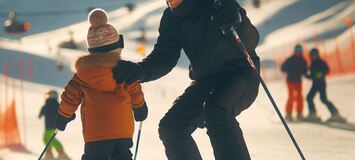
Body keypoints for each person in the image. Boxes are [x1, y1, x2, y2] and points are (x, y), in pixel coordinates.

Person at [113, 0, 260, 159]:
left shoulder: (216, 3)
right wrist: (140, 70)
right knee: (171, 128)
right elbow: (164, 56)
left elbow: (251, 40)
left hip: (240, 73)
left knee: (216, 110)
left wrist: (238, 22)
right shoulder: (171, 17)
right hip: (206, 81)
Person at [55, 9, 148, 160]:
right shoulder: (124, 72)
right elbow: (135, 90)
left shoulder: (82, 75)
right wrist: (140, 108)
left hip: (96, 135)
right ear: (117, 49)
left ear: (92, 50)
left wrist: (64, 116)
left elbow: (70, 97)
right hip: (123, 133)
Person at [305, 48, 346, 123]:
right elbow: (312, 75)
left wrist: (319, 74)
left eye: (315, 54)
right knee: (309, 97)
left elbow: (327, 70)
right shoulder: (312, 63)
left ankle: (335, 113)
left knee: (323, 99)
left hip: (321, 84)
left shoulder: (321, 62)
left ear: (317, 55)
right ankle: (313, 113)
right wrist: (307, 75)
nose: (314, 56)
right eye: (312, 55)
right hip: (315, 84)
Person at [39, 90, 70, 160]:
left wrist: (42, 112)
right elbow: (45, 110)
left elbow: (46, 110)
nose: (47, 97)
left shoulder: (51, 104)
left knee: (47, 138)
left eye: (48, 95)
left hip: (51, 125)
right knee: (49, 139)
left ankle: (55, 154)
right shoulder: (51, 103)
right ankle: (57, 154)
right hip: (50, 125)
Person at [281, 44, 308, 122]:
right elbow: (283, 68)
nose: (298, 52)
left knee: (299, 97)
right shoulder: (290, 59)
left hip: (298, 81)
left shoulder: (303, 60)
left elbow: (305, 71)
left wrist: (310, 76)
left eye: (300, 50)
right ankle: (288, 114)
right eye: (297, 50)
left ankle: (299, 114)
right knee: (291, 97)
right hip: (290, 80)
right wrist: (289, 70)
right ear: (295, 51)